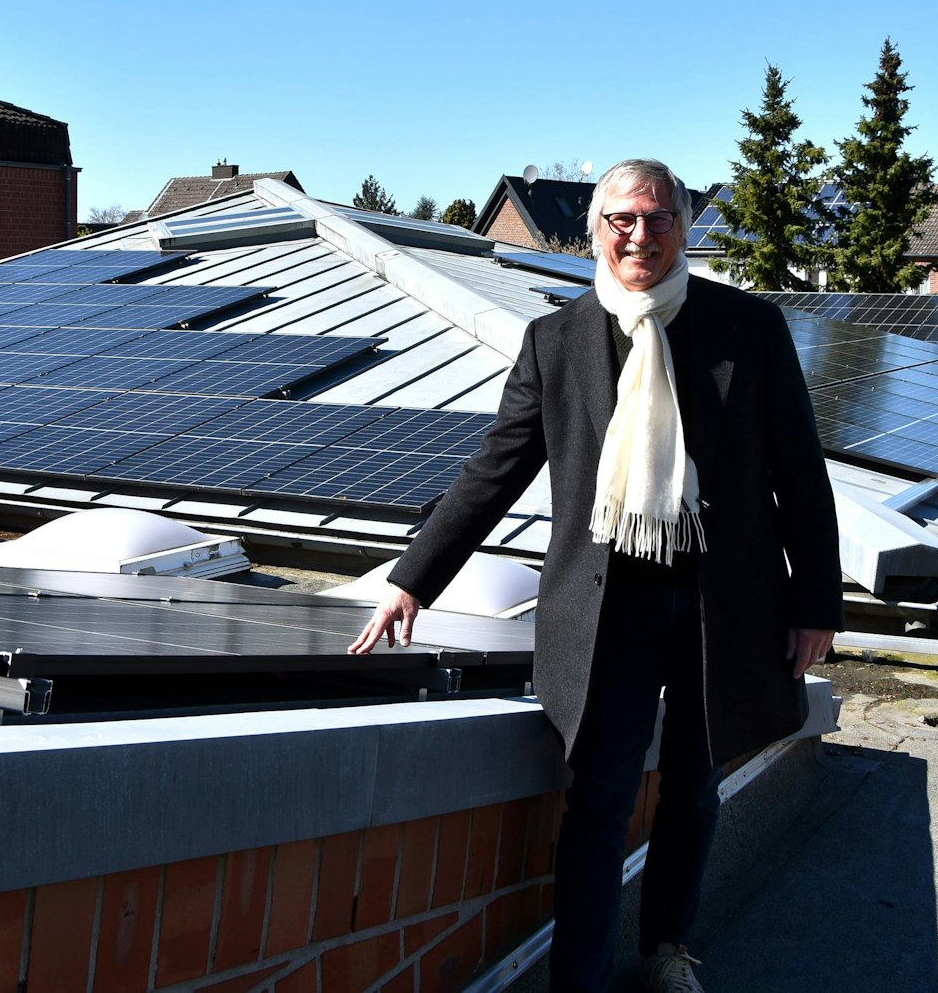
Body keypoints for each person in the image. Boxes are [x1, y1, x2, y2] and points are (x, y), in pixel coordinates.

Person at [349, 159, 842, 992]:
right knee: (599, 801)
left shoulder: (748, 328)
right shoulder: (556, 341)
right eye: (622, 220)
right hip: (608, 609)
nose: (640, 235)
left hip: (721, 605)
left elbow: (799, 470)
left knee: (694, 788)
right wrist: (412, 579)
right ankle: (579, 978)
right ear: (596, 232)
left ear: (682, 226)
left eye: (657, 218)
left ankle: (667, 950)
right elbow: (494, 470)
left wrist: (815, 601)